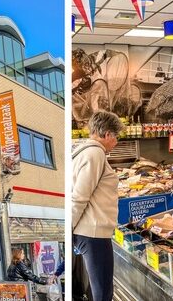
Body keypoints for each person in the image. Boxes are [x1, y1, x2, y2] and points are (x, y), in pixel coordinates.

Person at [73, 111, 123, 301]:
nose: (116, 142)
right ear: (108, 134)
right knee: (103, 292)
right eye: (116, 136)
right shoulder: (95, 154)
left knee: (101, 289)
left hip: (90, 232)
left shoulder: (83, 151)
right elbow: (79, 197)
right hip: (93, 233)